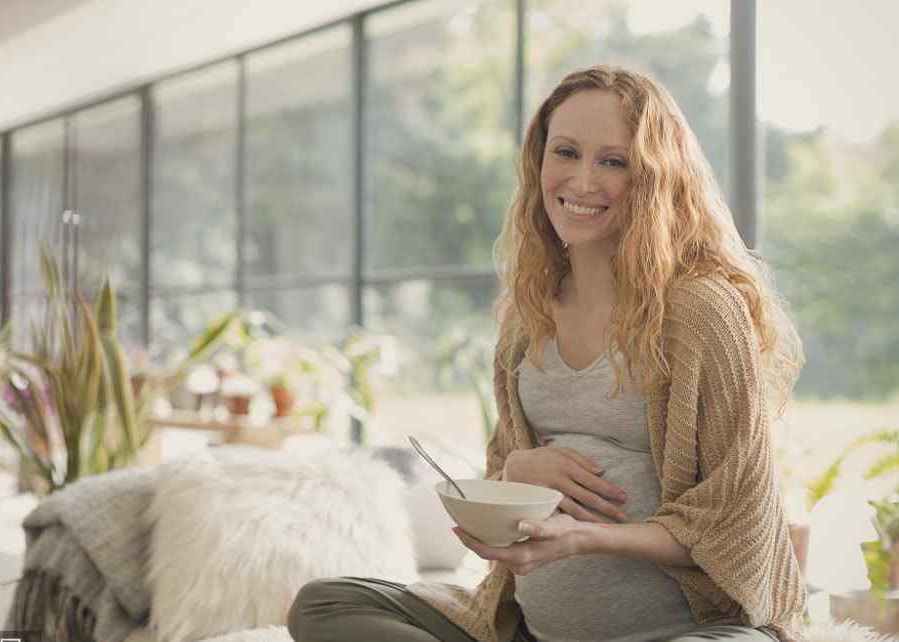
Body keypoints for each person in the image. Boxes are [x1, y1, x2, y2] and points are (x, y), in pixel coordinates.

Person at [287, 65, 807, 642]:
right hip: (529, 629)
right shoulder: (526, 313)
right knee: (325, 605)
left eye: (614, 161)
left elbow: (739, 520)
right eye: (566, 152)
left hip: (681, 631)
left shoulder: (700, 309)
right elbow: (496, 478)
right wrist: (513, 472)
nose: (583, 181)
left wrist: (585, 537)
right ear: (539, 162)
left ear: (655, 177)